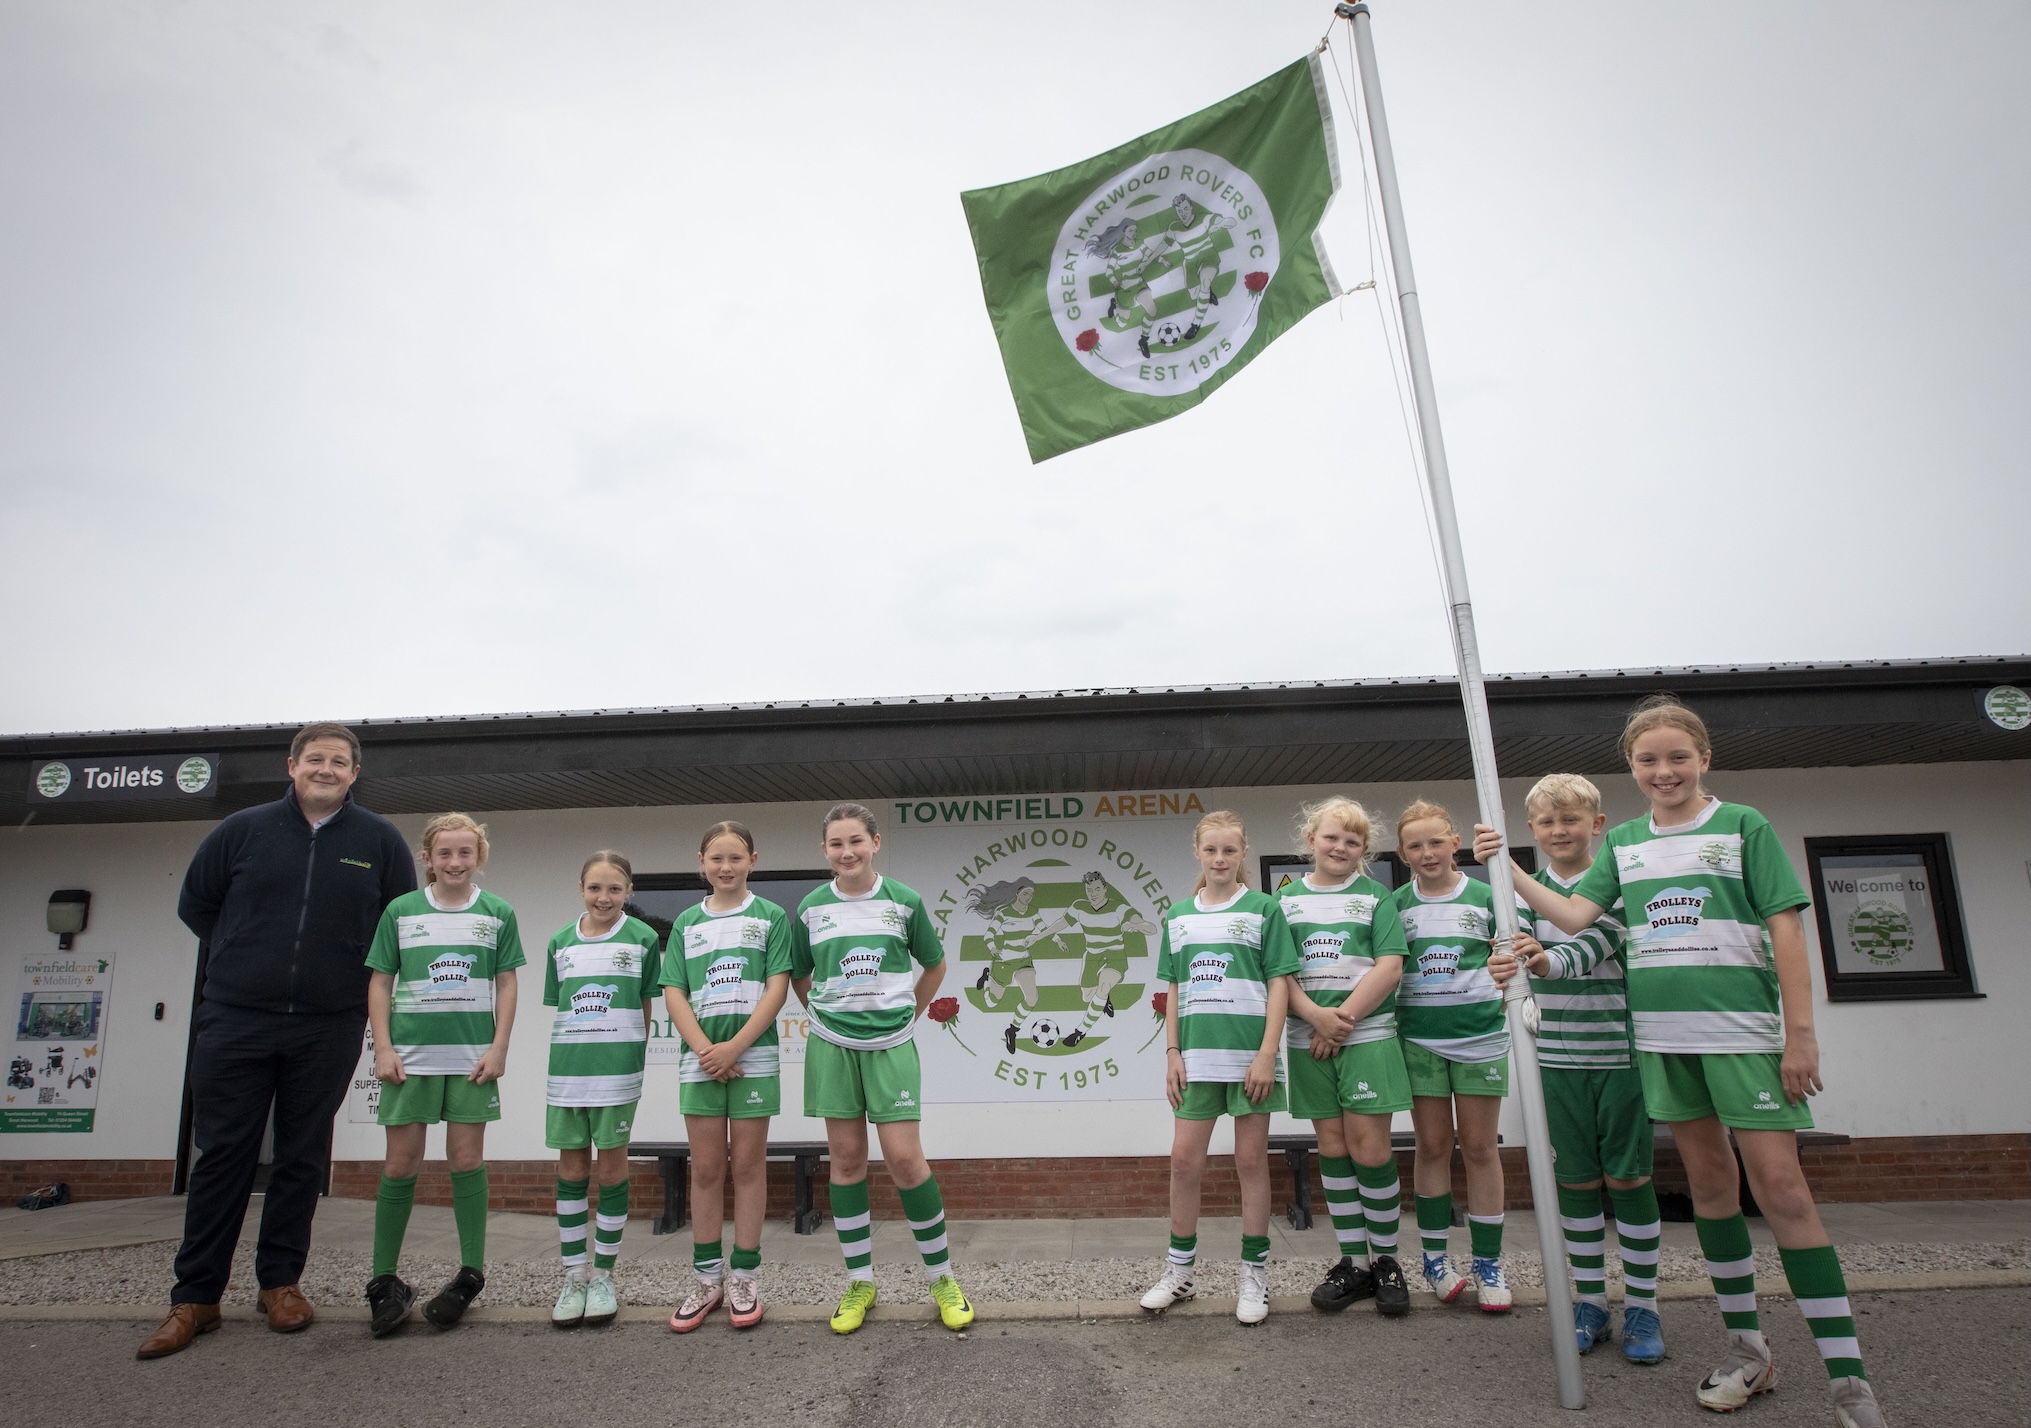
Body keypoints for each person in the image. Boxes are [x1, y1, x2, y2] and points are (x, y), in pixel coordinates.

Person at [1475, 697, 1886, 1428]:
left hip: (1741, 1036)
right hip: (1661, 1041)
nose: (1662, 771)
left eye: (1676, 757)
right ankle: (1747, 1352)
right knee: (1710, 1188)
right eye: (1647, 760)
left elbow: (1785, 930)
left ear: (1703, 759)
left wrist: (1801, 1035)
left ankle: (1849, 1382)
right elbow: (1573, 916)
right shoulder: (1626, 842)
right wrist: (1502, 867)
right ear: (1631, 767)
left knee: (1783, 1192)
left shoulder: (1742, 825)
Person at [141, 723, 415, 1361]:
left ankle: (280, 1283)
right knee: (223, 1154)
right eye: (315, 758)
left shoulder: (378, 840)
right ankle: (196, 1297)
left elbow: (398, 922)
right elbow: (197, 906)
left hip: (329, 1022)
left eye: (339, 761)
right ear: (291, 765)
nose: (326, 769)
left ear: (354, 774)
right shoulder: (242, 830)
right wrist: (243, 953)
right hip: (236, 1018)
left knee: (301, 1155)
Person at [1486, 774, 1664, 1363]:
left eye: (1571, 819)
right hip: (1554, 1060)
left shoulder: (1615, 885)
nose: (1559, 830)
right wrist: (1500, 965)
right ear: (1533, 829)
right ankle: (1590, 1300)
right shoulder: (1516, 895)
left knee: (1630, 1179)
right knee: (1576, 1182)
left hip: (1619, 1056)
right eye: (1547, 822)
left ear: (1597, 824)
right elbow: (1507, 956)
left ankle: (1643, 1306)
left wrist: (1541, 960)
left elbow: (1583, 944)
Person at [789, 803, 974, 1334]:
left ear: (875, 842)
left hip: (891, 1045)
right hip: (833, 1046)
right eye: (836, 844)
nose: (846, 852)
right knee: (846, 1160)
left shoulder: (904, 901)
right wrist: (822, 1015)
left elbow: (935, 964)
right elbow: (800, 973)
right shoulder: (811, 907)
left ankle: (941, 1277)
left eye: (856, 841)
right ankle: (860, 1282)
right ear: (825, 850)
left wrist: (909, 1014)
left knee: (905, 1159)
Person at [362, 814, 523, 1337]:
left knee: (466, 1160)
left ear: (479, 857)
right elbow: (381, 982)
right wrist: (383, 1048)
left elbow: (506, 982)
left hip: (473, 1060)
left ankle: (470, 1275)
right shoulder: (401, 910)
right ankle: (383, 1280)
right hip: (409, 1060)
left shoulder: (497, 912)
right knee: (400, 1164)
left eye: (465, 853)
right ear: (427, 858)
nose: (455, 862)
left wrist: (499, 1047)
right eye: (445, 853)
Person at [1139, 811, 1298, 1326]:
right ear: (1197, 852)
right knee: (1184, 1163)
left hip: (1251, 1060)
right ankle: (1180, 1272)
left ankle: (1253, 1276)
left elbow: (1278, 982)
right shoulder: (1179, 915)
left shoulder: (1264, 908)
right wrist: (1172, 1053)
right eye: (1211, 850)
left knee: (1250, 1163)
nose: (1220, 859)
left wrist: (1268, 1053)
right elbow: (1174, 987)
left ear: (1243, 852)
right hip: (1196, 1060)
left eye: (1229, 850)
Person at [1391, 799, 1538, 1313]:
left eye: (1436, 842)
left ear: (1456, 843)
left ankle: (1488, 1262)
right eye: (1415, 846)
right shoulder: (1395, 905)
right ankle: (1435, 1260)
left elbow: (1521, 949)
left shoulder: (1488, 894)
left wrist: (1508, 963)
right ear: (1403, 853)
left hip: (1480, 1039)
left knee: (1478, 1148)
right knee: (1432, 1147)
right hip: (1419, 1040)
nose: (1427, 853)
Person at [1278, 796, 1412, 1317]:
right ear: (1311, 840)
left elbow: (1390, 967)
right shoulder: (1285, 901)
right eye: (1331, 837)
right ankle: (1354, 1264)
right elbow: (1279, 972)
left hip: (1367, 1036)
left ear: (1364, 849)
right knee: (1332, 1149)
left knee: (1371, 1151)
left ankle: (1386, 1262)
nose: (1340, 847)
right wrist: (1316, 1017)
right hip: (1307, 1038)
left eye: (1352, 841)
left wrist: (1341, 1022)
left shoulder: (1376, 897)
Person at [660, 822, 793, 1332]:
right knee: (707, 1169)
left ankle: (744, 1276)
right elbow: (675, 991)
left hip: (753, 1059)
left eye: (736, 857)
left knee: (749, 1168)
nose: (726, 866)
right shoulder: (687, 922)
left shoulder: (770, 917)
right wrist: (706, 1051)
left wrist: (735, 1048)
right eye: (716, 858)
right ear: (701, 862)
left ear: (752, 861)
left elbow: (777, 987)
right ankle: (706, 1280)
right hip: (700, 1062)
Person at [544, 851, 661, 1330]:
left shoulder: (644, 938)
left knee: (612, 1169)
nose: (604, 897)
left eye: (614, 888)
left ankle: (603, 1277)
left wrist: (633, 1058)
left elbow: (646, 1007)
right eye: (595, 887)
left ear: (628, 892)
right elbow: (561, 1006)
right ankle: (574, 1276)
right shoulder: (560, 942)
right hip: (567, 1074)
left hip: (617, 1075)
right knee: (572, 1169)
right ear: (581, 889)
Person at [1019, 870, 1158, 1049]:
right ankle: (1104, 998)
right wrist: (1037, 937)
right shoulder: (1079, 907)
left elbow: (1152, 928)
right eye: (1089, 890)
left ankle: (1080, 1031)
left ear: (1105, 889)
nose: (1093, 894)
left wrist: (1135, 925)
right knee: (1087, 997)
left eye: (1097, 889)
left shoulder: (1119, 908)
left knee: (1103, 986)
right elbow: (1060, 924)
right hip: (1092, 956)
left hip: (1115, 956)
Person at [965, 877, 1045, 1056]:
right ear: (1017, 893)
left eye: (1031, 894)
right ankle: (986, 979)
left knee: (1032, 998)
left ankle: (1012, 1030)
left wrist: (1057, 939)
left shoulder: (1033, 912)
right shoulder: (1004, 913)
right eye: (1026, 893)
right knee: (992, 1003)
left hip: (1024, 960)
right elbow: (988, 935)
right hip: (1004, 961)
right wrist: (992, 948)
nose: (1029, 897)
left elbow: (1043, 929)